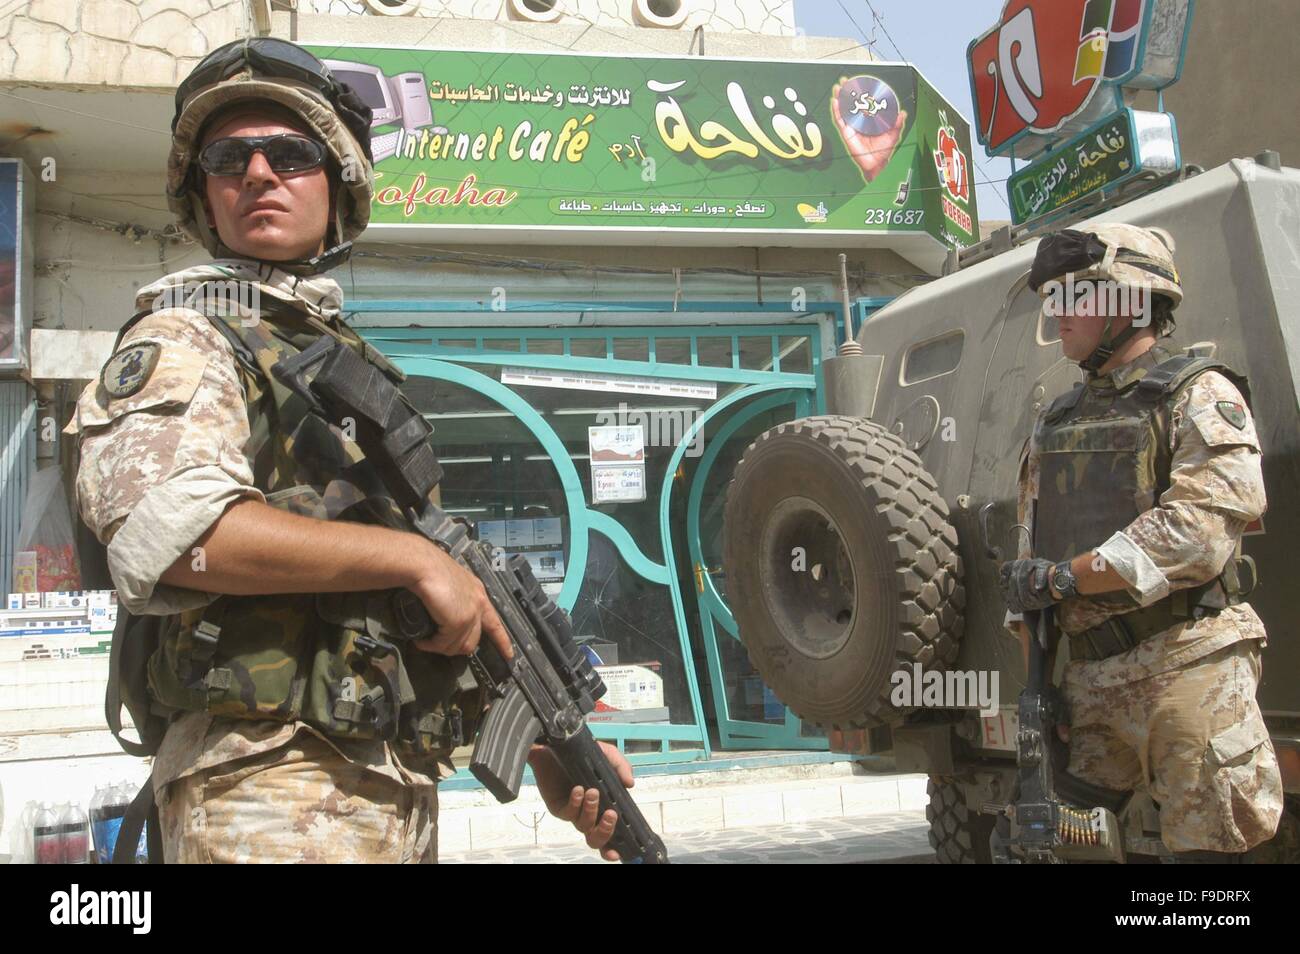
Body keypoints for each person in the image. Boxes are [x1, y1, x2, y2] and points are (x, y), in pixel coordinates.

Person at [65, 38, 631, 863]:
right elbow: (173, 535)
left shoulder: (331, 359)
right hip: (265, 783)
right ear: (203, 193)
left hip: (386, 785)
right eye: (230, 157)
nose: (259, 173)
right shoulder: (186, 333)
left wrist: (552, 744)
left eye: (290, 153)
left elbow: (413, 622)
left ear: (338, 183)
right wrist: (414, 560)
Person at [997, 223, 1282, 861]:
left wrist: (1064, 578)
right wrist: (1042, 689)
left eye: (1074, 297)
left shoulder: (1199, 394)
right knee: (1043, 845)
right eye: (1052, 299)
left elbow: (1197, 534)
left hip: (1187, 666)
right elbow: (1027, 560)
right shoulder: (1057, 419)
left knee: (1210, 864)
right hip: (1090, 681)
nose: (1057, 316)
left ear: (1129, 301)